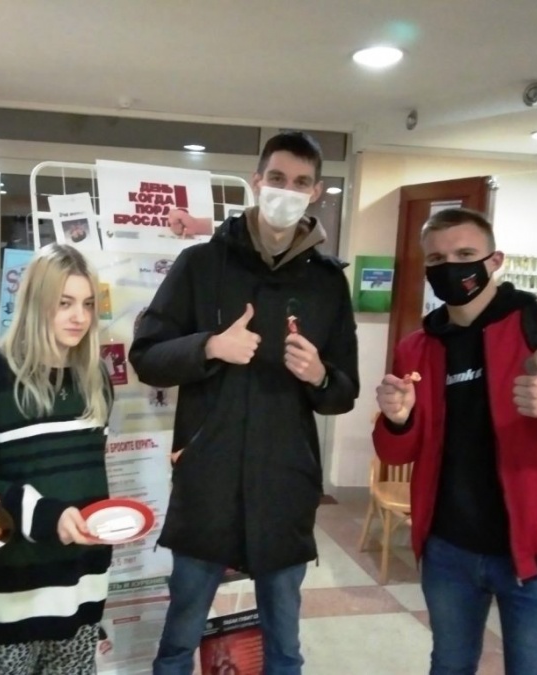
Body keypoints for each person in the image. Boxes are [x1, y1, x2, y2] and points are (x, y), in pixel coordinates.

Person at [129, 131, 360, 675]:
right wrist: (210, 346)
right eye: (277, 178)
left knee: (284, 647)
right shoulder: (200, 264)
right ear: (257, 182)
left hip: (284, 485)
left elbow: (344, 393)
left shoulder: (327, 283)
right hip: (208, 480)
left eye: (301, 182)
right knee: (179, 638)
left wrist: (320, 375)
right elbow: (147, 357)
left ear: (316, 192)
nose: (287, 190)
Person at [373, 207, 537, 675]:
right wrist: (397, 420)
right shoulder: (418, 347)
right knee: (449, 665)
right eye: (437, 259)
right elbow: (395, 452)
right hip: (448, 550)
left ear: (495, 261)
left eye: (465, 254)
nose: (451, 267)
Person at [0, 243, 114, 675]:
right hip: (6, 588)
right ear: (35, 303)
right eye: (64, 303)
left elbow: (88, 474)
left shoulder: (95, 378)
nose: (79, 316)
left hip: (79, 581)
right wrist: (46, 515)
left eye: (87, 304)